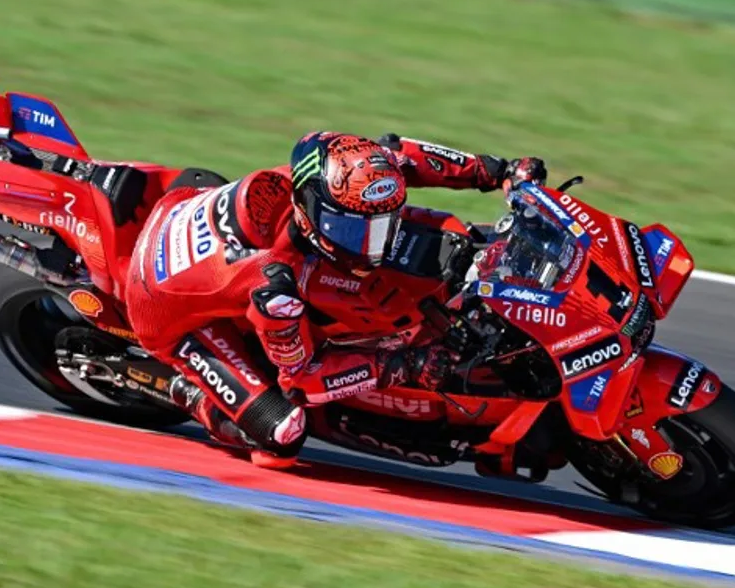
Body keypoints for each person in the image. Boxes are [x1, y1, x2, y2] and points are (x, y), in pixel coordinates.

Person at [123, 130, 546, 466]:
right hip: (165, 313)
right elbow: (301, 380)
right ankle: (185, 390)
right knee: (281, 435)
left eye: (383, 226)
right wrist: (399, 364)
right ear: (311, 210)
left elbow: (402, 156)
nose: (372, 247)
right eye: (354, 232)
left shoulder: (334, 177)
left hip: (183, 211)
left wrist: (497, 172)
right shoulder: (276, 287)